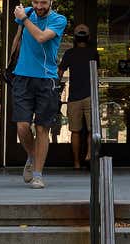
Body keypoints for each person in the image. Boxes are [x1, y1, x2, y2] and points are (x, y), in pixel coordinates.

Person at [11, 0, 67, 189]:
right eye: (35, 2)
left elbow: (42, 37)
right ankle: (33, 155)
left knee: (43, 128)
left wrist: (24, 18)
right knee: (23, 126)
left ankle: (38, 174)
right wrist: (10, 62)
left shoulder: (59, 19)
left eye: (43, 2)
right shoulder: (26, 13)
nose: (39, 7)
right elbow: (19, 36)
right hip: (23, 77)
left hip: (47, 79)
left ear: (51, 1)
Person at [58, 24, 96, 170]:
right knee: (93, 130)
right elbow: (95, 72)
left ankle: (76, 163)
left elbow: (60, 73)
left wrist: (55, 87)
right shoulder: (93, 53)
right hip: (90, 95)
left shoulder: (69, 53)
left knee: (75, 131)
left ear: (74, 38)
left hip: (74, 97)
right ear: (89, 37)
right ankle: (88, 155)